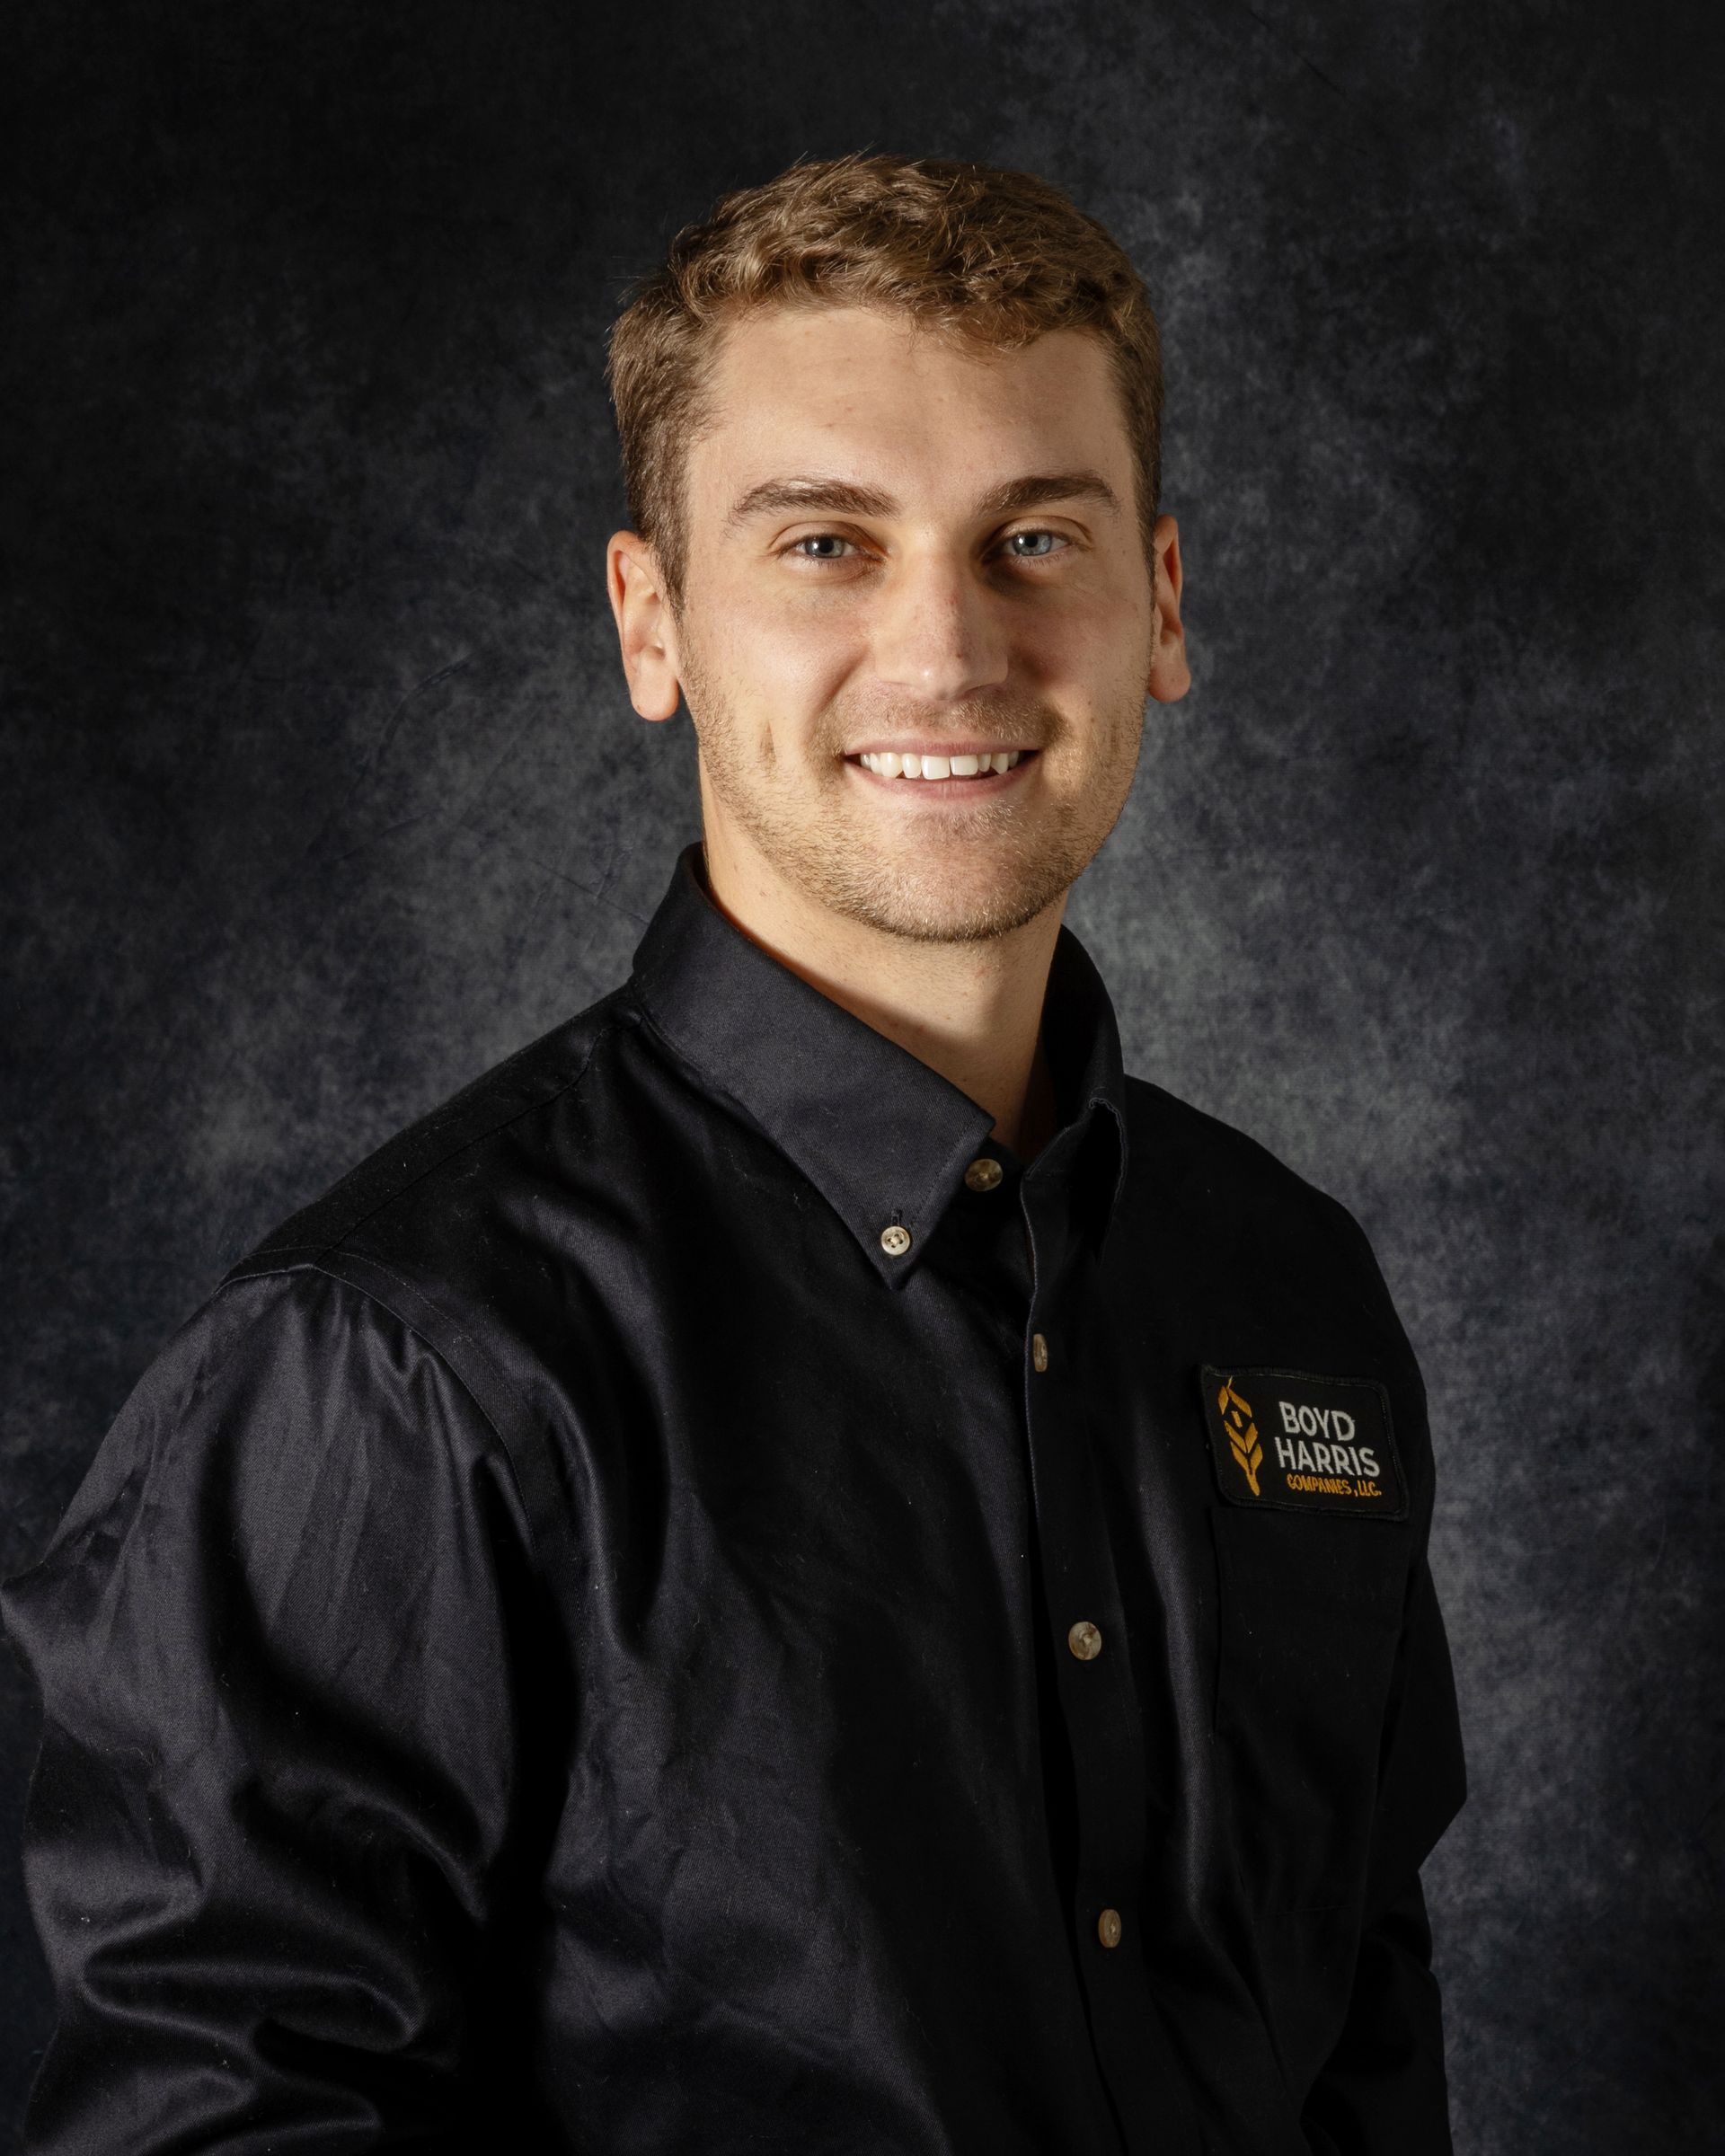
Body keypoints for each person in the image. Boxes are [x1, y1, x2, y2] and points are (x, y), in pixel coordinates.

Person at [3, 155, 1465, 2154]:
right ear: (653, 619)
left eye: (1034, 533)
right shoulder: (392, 1373)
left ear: (1166, 606)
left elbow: (1362, 2035)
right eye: (826, 546)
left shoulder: (1292, 1293)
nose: (948, 650)